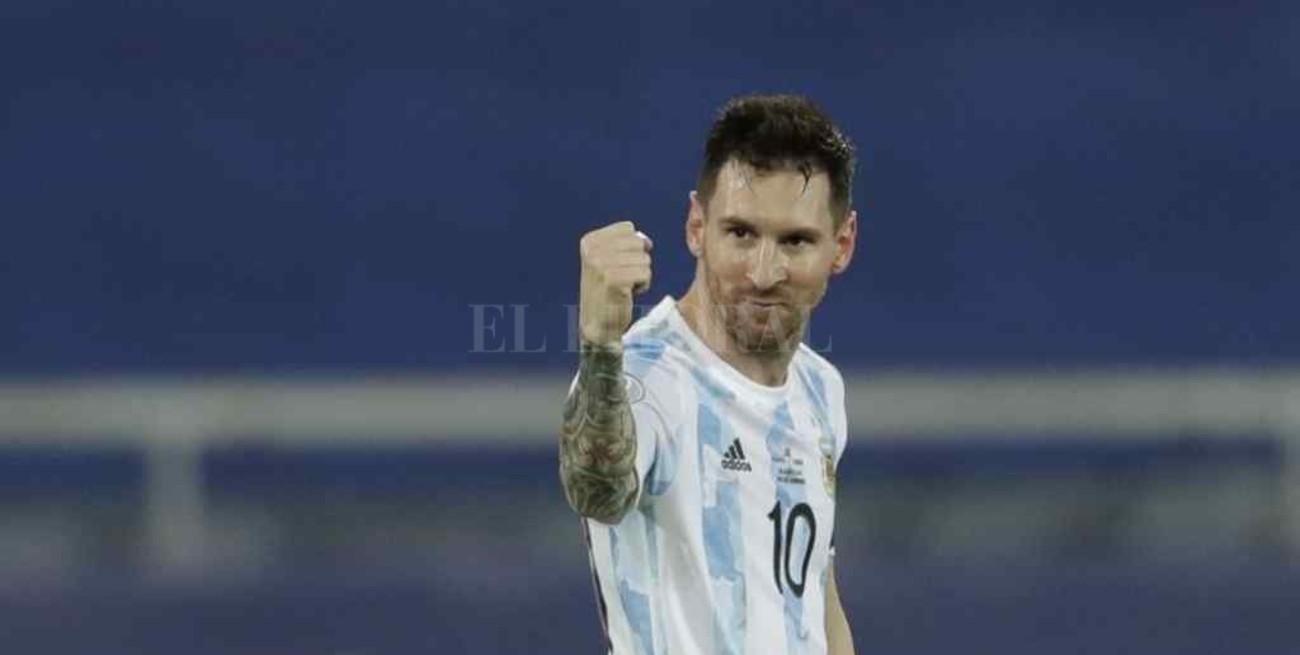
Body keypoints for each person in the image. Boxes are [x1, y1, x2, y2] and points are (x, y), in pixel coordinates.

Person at [560, 94, 858, 655]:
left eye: (794, 240)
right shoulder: (640, 376)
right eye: (741, 233)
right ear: (697, 227)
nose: (764, 272)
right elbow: (596, 491)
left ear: (841, 245)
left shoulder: (822, 390)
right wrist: (599, 345)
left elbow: (814, 593)